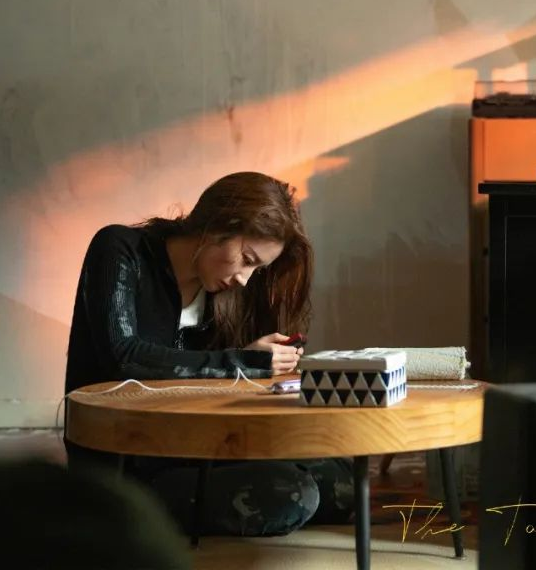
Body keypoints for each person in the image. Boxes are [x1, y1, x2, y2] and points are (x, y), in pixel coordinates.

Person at [63, 171, 353, 537]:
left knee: (343, 483)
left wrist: (260, 364)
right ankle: (123, 515)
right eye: (246, 258)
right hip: (129, 466)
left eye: (257, 268)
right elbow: (123, 356)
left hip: (200, 451)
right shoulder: (120, 248)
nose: (245, 277)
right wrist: (244, 362)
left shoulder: (224, 293)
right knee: (293, 495)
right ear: (218, 226)